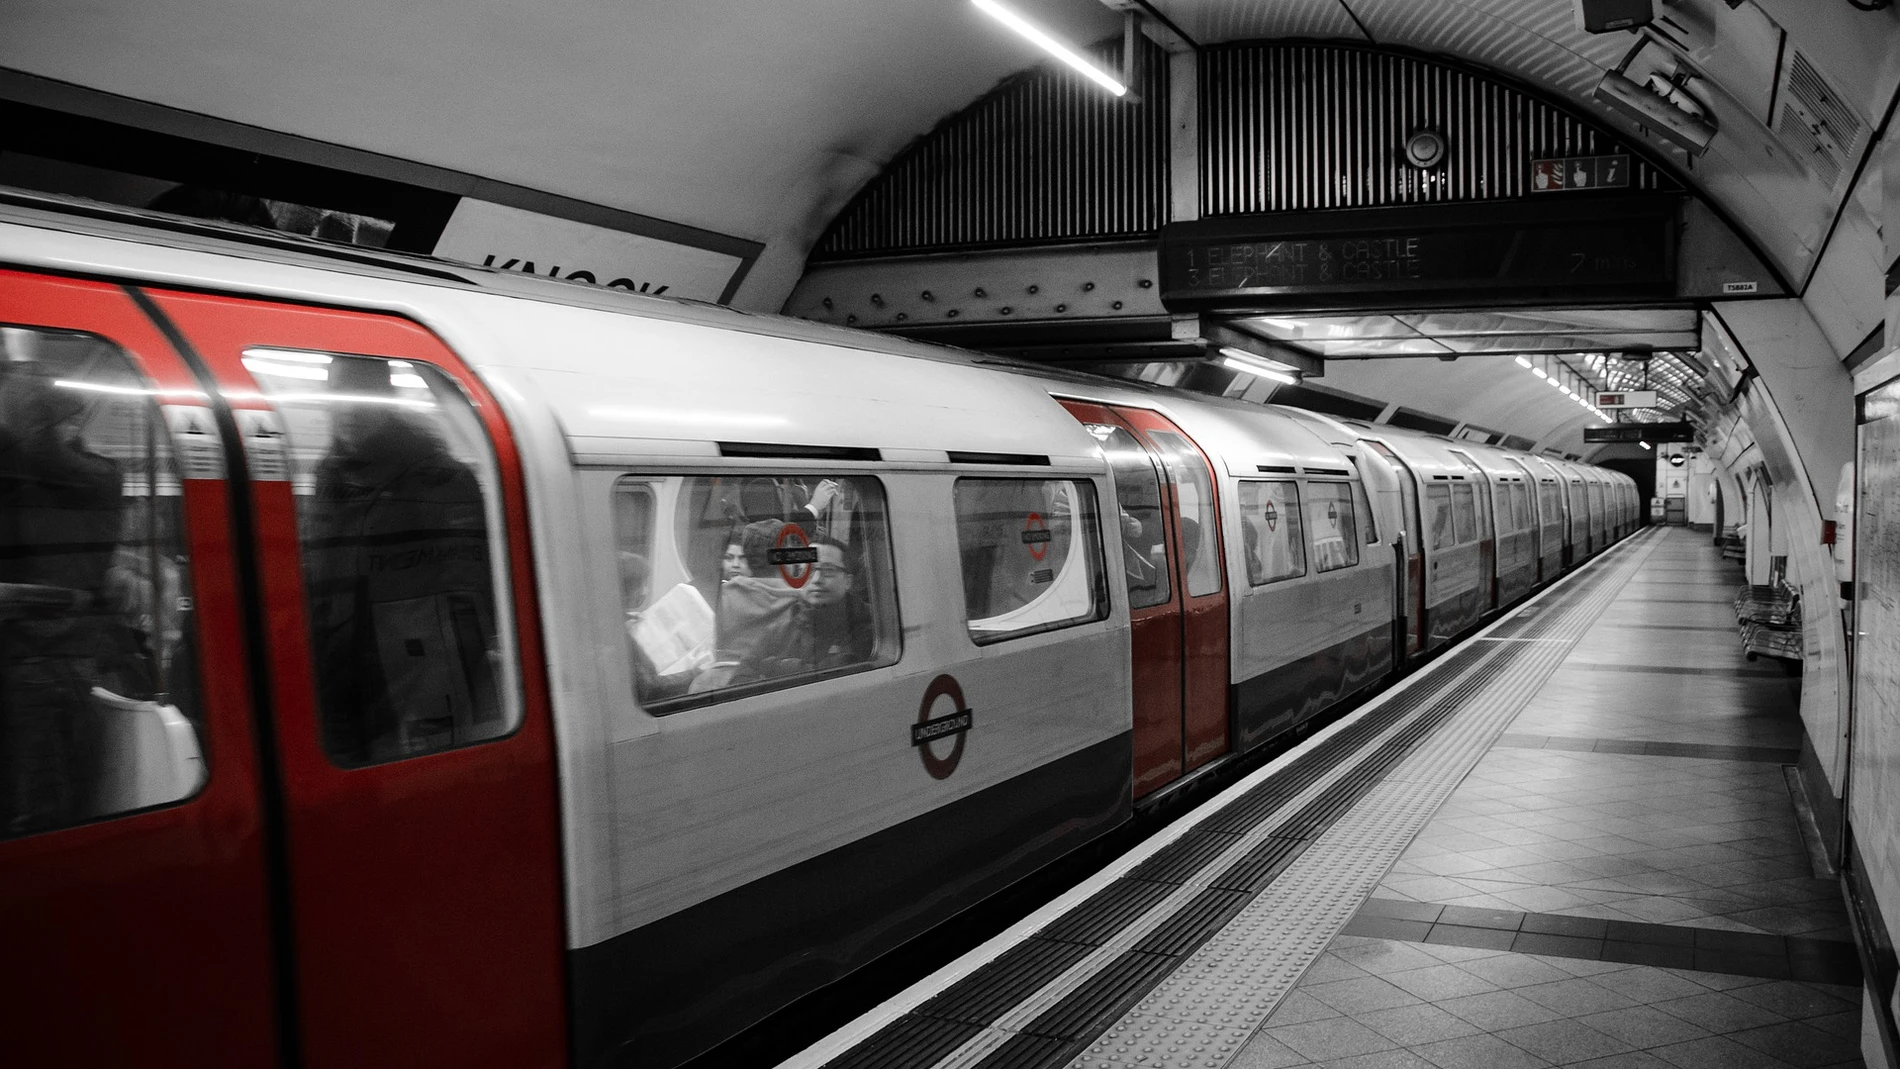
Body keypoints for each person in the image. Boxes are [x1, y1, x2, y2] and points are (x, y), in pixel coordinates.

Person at [303, 356, 501, 765]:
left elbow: (471, 603)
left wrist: (431, 704)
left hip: (414, 695)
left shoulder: (442, 481)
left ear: (388, 400)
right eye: (337, 395)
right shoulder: (329, 478)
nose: (348, 408)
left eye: (362, 396)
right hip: (336, 689)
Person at [0, 341, 130, 835]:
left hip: (50, 660)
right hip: (29, 658)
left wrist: (24, 399)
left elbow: (66, 595)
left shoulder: (94, 480)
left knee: (42, 812)